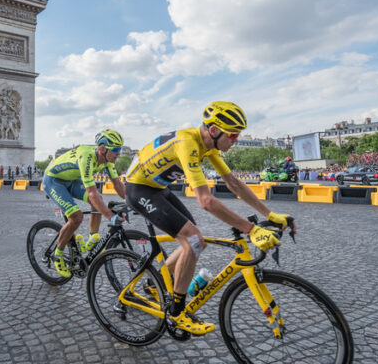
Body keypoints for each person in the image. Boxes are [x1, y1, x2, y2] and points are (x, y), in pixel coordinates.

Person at [125, 101, 296, 335]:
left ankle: (152, 283)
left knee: (198, 243)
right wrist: (251, 229)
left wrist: (271, 215)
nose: (236, 140)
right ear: (214, 131)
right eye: (233, 135)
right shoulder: (188, 144)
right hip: (139, 189)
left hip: (158, 188)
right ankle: (176, 312)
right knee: (194, 240)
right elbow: (205, 201)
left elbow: (233, 182)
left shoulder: (210, 146)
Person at [43, 129, 127, 278]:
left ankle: (93, 238)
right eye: (115, 150)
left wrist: (133, 202)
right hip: (54, 180)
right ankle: (58, 254)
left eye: (119, 149)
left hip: (71, 180)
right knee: (76, 216)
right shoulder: (86, 157)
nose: (118, 153)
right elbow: (91, 193)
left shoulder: (108, 160)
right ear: (102, 149)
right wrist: (110, 216)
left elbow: (118, 184)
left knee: (98, 201)